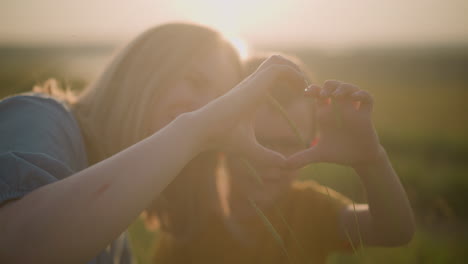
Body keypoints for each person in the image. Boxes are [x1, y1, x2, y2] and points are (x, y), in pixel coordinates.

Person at [0, 23, 306, 263]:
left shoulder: (116, 240)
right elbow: (20, 249)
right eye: (196, 82)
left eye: (218, 101)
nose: (206, 109)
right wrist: (193, 130)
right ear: (145, 73)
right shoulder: (41, 116)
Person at [146, 54, 415, 264]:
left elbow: (394, 230)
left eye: (290, 144)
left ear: (313, 141)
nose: (272, 159)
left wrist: (371, 160)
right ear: (220, 135)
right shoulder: (190, 222)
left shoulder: (311, 210)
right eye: (260, 141)